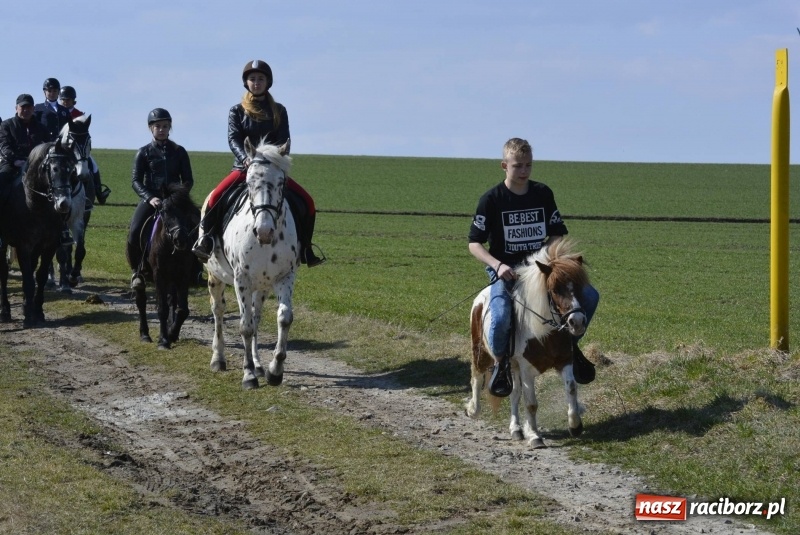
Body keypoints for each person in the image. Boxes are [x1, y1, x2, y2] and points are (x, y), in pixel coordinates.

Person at [468, 137, 600, 397]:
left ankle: (571, 344)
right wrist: (497, 265)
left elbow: (556, 234)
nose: (524, 171)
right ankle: (502, 365)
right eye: (518, 166)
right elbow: (474, 244)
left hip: (540, 271)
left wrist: (549, 257)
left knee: (590, 296)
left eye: (529, 165)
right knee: (501, 317)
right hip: (507, 272)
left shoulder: (542, 193)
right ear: (504, 165)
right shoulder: (491, 199)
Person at [192, 59, 324, 267]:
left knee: (307, 202)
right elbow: (234, 138)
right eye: (252, 79)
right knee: (215, 198)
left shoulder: (279, 110)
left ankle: (306, 248)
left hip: (272, 170)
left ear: (268, 82)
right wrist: (245, 158)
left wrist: (275, 159)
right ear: (246, 83)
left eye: (260, 79)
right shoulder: (236, 111)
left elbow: (283, 140)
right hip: (244, 169)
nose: (256, 82)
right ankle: (206, 241)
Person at [127, 108, 194, 290]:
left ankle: (196, 268)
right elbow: (135, 181)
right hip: (152, 199)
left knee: (197, 224)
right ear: (151, 128)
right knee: (134, 230)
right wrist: (150, 198)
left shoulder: (179, 152)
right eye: (157, 126)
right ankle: (137, 271)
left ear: (170, 127)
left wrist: (178, 196)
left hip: (174, 201)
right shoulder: (143, 152)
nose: (162, 129)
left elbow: (188, 179)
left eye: (165, 126)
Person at [0, 94, 73, 246]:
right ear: (16, 108)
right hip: (13, 165)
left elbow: (49, 147)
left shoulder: (41, 128)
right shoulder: (6, 125)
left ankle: (62, 230)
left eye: (28, 107)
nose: (25, 110)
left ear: (33, 109)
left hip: (37, 168)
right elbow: (4, 146)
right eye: (22, 107)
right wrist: (16, 160)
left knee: (58, 188)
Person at [58, 85, 109, 206]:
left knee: (93, 166)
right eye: (63, 100)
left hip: (78, 149)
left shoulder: (79, 114)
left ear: (73, 100)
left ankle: (98, 191)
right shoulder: (58, 112)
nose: (65, 102)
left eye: (68, 100)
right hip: (62, 147)